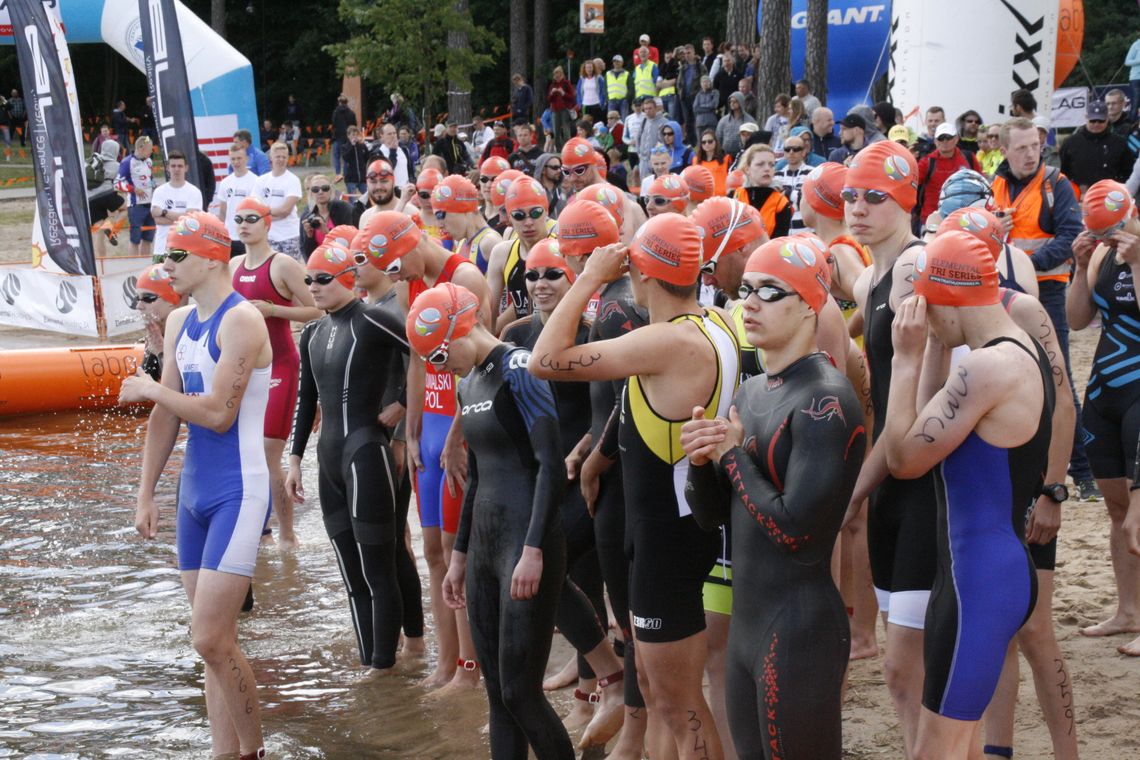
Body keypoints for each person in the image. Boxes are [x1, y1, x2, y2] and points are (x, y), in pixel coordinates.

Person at [532, 213, 737, 760]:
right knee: (657, 683)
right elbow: (633, 409)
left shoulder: (666, 342)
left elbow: (544, 359)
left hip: (667, 540)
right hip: (674, 527)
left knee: (679, 703)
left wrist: (589, 277)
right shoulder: (715, 322)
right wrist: (597, 459)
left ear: (642, 274)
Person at [682, 235, 865, 759]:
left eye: (771, 291)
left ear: (810, 305)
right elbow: (714, 516)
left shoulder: (824, 399)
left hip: (799, 631)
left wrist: (734, 457)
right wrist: (703, 464)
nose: (750, 303)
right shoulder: (751, 391)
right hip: (748, 626)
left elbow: (795, 531)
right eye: (745, 290)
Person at [877, 230, 1053, 760]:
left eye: (928, 310)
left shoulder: (985, 369)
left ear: (949, 299)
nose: (924, 321)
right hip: (991, 569)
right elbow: (929, 414)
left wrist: (904, 358)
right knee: (966, 748)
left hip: (976, 581)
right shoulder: (1018, 349)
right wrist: (935, 343)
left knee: (938, 750)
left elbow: (902, 459)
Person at [119, 211, 271, 760]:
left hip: (240, 490)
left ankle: (254, 752)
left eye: (176, 256)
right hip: (194, 494)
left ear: (211, 257)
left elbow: (217, 415)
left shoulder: (243, 321)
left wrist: (151, 390)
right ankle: (222, 753)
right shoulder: (181, 321)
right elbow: (167, 419)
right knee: (214, 646)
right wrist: (145, 492)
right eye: (164, 255)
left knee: (209, 637)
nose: (166, 267)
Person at [401, 282, 571, 760]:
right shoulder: (468, 380)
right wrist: (458, 559)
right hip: (485, 551)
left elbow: (550, 466)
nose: (437, 367)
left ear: (463, 327)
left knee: (521, 692)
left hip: (526, 543)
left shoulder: (520, 369)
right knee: (496, 695)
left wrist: (534, 548)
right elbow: (475, 478)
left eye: (438, 355)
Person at [359, 210, 494, 693]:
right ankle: (446, 661)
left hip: (460, 427)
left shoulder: (466, 278)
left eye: (397, 266)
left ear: (413, 242)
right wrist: (411, 432)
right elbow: (416, 359)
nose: (396, 277)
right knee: (433, 550)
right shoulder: (406, 285)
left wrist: (458, 435)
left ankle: (471, 670)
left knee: (464, 553)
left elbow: (483, 365)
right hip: (431, 428)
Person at [499, 242, 627, 744]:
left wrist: (587, 451)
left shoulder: (593, 331)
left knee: (564, 571)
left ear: (575, 276)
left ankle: (599, 681)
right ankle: (591, 682)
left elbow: (610, 406)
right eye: (533, 276)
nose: (542, 284)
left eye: (554, 273)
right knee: (572, 576)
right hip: (546, 475)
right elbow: (492, 390)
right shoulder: (514, 335)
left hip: (586, 474)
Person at [844, 140, 935, 758]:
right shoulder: (874, 273)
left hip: (922, 480)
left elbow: (916, 402)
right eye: (851, 194)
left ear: (904, 200)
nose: (858, 207)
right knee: (904, 673)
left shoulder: (911, 266)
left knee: (911, 668)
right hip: (891, 480)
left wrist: (853, 490)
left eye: (876, 196)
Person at [284, 240, 410, 674]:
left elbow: (428, 354)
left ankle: (386, 668)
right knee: (351, 577)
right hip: (328, 462)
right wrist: (295, 458)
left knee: (379, 568)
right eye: (308, 280)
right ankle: (370, 666)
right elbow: (306, 398)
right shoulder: (314, 333)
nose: (313, 288)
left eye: (321, 279)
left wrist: (404, 407)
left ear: (347, 279)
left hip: (366, 453)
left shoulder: (373, 319)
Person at [992, 117, 1099, 500]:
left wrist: (1023, 265)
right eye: (1020, 148)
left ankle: (1084, 472)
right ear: (1003, 150)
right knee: (1014, 375)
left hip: (1048, 292)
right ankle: (1029, 466)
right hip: (1006, 293)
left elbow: (1072, 236)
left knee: (1060, 379)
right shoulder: (997, 184)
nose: (1029, 154)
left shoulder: (1056, 184)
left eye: (1034, 146)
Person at [1068, 180, 1140, 654]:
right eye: (1101, 232)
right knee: (1118, 509)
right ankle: (1130, 610)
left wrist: (1136, 262)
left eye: (1115, 229)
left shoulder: (1134, 252)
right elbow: (1077, 320)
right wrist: (1078, 265)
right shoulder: (1100, 254)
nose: (1110, 237)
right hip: (1104, 391)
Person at [229, 196, 322, 549]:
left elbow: (318, 310)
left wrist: (272, 309)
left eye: (252, 218)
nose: (244, 224)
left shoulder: (281, 265)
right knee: (246, 453)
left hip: (281, 365)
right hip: (247, 369)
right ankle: (262, 532)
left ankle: (287, 536)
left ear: (267, 223)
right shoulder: (234, 265)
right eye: (238, 218)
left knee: (268, 454)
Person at [486, 176, 553, 330]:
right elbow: (489, 316)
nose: (528, 222)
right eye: (519, 215)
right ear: (509, 218)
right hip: (520, 343)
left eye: (535, 213)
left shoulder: (561, 249)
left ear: (546, 211)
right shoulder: (502, 254)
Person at [914, 123, 983, 232]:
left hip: (964, 221)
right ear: (936, 141)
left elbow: (981, 185)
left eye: (948, 137)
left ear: (956, 139)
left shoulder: (969, 158)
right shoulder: (927, 162)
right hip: (933, 221)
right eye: (941, 138)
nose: (945, 141)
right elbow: (911, 183)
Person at [432, 173, 503, 274]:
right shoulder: (461, 242)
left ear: (463, 208)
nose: (439, 225)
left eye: (441, 215)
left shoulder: (489, 242)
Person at [1059, 101, 1133, 195]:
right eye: (1093, 120)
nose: (1096, 124)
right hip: (1079, 197)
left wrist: (1118, 188)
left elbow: (1128, 171)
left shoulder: (1119, 143)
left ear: (1107, 119)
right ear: (1086, 118)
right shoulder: (1070, 142)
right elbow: (1062, 172)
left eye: (1100, 120)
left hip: (1110, 197)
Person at [150, 150, 203, 260]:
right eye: (173, 166)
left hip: (186, 250)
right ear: (168, 168)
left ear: (186, 168)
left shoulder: (194, 192)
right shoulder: (159, 192)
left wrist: (164, 212)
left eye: (180, 166)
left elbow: (190, 221)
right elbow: (158, 220)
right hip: (162, 249)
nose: (177, 169)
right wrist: (182, 217)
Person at [254, 142, 303, 263]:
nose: (281, 160)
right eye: (278, 157)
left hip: (290, 236)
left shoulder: (293, 180)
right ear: (271, 158)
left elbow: (285, 210)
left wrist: (264, 215)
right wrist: (268, 214)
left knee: (291, 272)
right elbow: (255, 208)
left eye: (284, 157)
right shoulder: (261, 181)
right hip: (269, 236)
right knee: (271, 272)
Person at [734, 144, 792, 238]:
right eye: (760, 164)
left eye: (771, 165)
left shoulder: (781, 203)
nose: (767, 169)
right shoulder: (734, 198)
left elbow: (778, 243)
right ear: (747, 169)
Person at [115, 135, 156, 260]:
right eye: (149, 149)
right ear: (141, 148)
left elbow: (150, 178)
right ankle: (133, 266)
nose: (151, 151)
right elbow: (117, 183)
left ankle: (145, 266)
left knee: (148, 238)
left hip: (151, 204)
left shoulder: (149, 161)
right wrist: (133, 189)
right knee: (135, 239)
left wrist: (154, 186)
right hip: (136, 205)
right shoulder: (127, 162)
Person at [216, 144, 260, 257]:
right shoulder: (225, 182)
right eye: (233, 159)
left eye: (239, 158)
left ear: (246, 159)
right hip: (230, 237)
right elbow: (222, 212)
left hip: (249, 235)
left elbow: (258, 211)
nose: (236, 162)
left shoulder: (256, 181)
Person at [300, 174, 354, 258]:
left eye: (325, 188)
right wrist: (309, 237)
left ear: (331, 191)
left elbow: (352, 241)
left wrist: (328, 232)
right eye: (315, 189)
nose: (320, 192)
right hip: (321, 263)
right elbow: (308, 253)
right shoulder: (307, 217)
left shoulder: (344, 209)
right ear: (311, 193)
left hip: (343, 260)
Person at [774, 133, 815, 231]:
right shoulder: (776, 175)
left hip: (807, 232)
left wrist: (787, 193)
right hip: (784, 231)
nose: (791, 152)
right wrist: (799, 196)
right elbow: (776, 201)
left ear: (804, 152)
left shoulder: (813, 173)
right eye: (787, 149)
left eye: (796, 149)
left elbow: (811, 200)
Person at [353, 159, 401, 228]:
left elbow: (422, 237)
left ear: (393, 182)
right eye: (373, 182)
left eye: (384, 181)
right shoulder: (364, 218)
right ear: (367, 184)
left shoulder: (411, 213)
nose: (378, 187)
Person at [693, 130, 732, 197]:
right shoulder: (696, 160)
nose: (707, 144)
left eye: (710, 141)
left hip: (722, 198)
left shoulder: (725, 158)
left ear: (715, 142)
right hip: (703, 198)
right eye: (703, 142)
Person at [547, 68, 577, 152]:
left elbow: (572, 97)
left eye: (559, 74)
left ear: (562, 75)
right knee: (556, 132)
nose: (557, 76)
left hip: (565, 110)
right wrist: (552, 93)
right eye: (555, 75)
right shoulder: (552, 85)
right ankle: (559, 150)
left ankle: (568, 149)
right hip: (555, 110)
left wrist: (563, 93)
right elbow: (549, 100)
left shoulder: (566, 83)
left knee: (566, 130)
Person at [533, 152, 567, 218]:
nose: (559, 170)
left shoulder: (564, 191)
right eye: (555, 167)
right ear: (543, 170)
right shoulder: (533, 193)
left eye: (560, 167)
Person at [338, 126, 370, 197]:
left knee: (368, 196)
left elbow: (368, 158)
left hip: (362, 178)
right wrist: (352, 146)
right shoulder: (345, 147)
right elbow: (346, 158)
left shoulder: (362, 146)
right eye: (353, 135)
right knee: (352, 198)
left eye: (356, 134)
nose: (355, 137)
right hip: (350, 178)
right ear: (348, 136)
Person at [330, 94, 356, 177]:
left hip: (337, 137)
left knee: (336, 156)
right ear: (347, 102)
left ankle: (338, 174)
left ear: (339, 102)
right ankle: (345, 173)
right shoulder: (351, 113)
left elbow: (333, 124)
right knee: (346, 157)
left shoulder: (335, 112)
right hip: (347, 137)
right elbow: (354, 125)